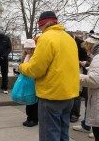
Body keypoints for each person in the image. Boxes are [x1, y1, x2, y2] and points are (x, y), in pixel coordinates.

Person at [19, 11, 79, 141]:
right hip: (69, 95)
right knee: (63, 134)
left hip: (51, 95)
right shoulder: (69, 38)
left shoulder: (46, 38)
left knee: (49, 135)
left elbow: (36, 70)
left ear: (42, 25)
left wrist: (21, 67)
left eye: (39, 27)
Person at [72, 34, 99, 138]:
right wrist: (86, 64)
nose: (87, 50)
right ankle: (86, 125)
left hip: (98, 89)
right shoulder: (97, 55)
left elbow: (95, 79)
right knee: (88, 105)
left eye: (89, 47)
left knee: (97, 108)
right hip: (92, 86)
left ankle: (97, 129)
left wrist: (76, 77)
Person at [70, 36, 88, 123]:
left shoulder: (81, 43)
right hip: (68, 69)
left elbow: (86, 58)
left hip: (79, 69)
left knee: (77, 93)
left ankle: (75, 114)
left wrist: (80, 63)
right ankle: (70, 112)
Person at [21, 38, 38, 127]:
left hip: (34, 81)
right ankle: (29, 118)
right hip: (28, 81)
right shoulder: (26, 56)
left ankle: (34, 119)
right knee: (28, 100)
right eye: (26, 48)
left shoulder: (35, 56)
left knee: (33, 101)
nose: (28, 50)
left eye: (29, 49)